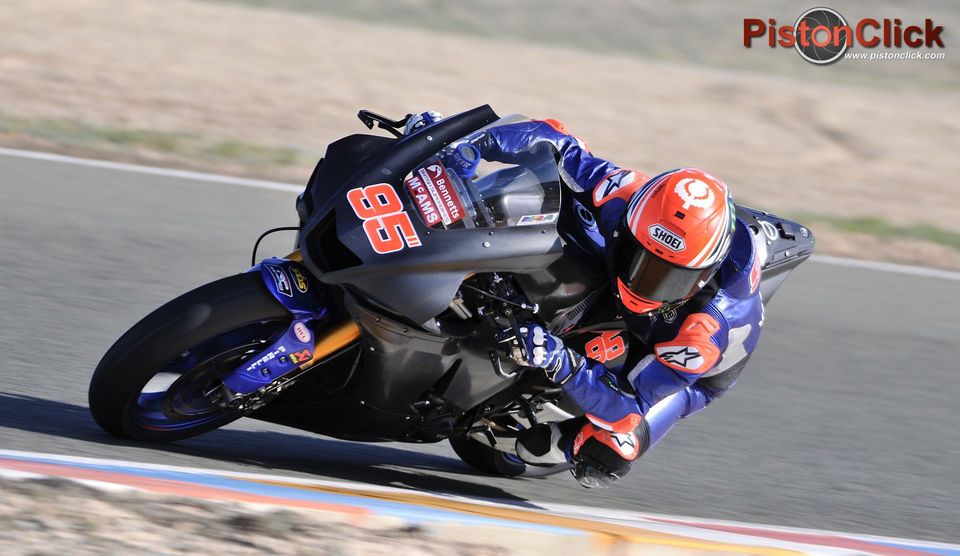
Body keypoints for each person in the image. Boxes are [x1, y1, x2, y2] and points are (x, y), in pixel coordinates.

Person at [407, 112, 766, 489]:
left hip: (678, 364)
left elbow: (630, 407)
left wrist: (559, 361)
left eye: (669, 277)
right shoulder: (623, 195)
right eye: (637, 258)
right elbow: (555, 141)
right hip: (617, 289)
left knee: (610, 447)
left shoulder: (702, 334)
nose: (645, 282)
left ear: (703, 275)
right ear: (630, 224)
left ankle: (558, 443)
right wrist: (471, 145)